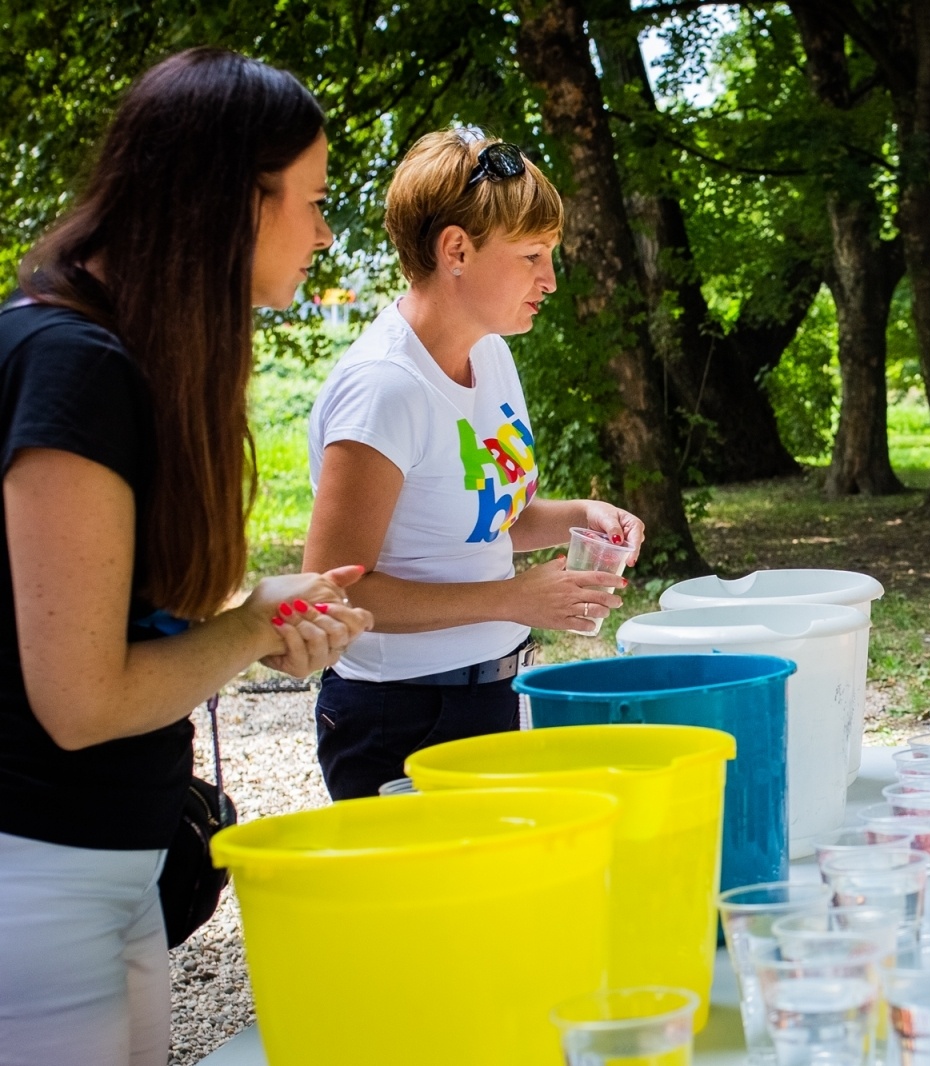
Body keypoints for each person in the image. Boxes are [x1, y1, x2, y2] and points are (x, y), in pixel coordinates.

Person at [0, 49, 374, 1066]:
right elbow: (80, 701)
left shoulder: (119, 355)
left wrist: (256, 627)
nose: (325, 233)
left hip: (110, 860)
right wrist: (251, 625)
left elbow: (119, 621)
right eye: (313, 201)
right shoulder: (72, 367)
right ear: (237, 200)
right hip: (38, 877)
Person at [302, 129, 642, 801]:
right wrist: (512, 598)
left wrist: (584, 515)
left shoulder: (490, 354)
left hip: (492, 694)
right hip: (401, 715)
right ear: (456, 250)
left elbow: (483, 522)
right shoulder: (385, 387)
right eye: (532, 255)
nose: (550, 279)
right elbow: (332, 592)